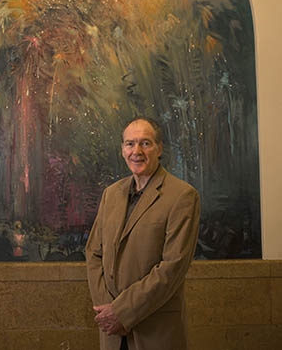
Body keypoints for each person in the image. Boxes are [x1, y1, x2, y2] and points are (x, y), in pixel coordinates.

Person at [85, 117, 200, 350]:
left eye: (145, 143)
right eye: (130, 144)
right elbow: (94, 254)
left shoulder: (183, 196)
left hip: (155, 331)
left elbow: (173, 267)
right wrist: (107, 309)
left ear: (159, 149)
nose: (136, 151)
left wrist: (122, 312)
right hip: (112, 333)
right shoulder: (111, 194)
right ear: (122, 150)